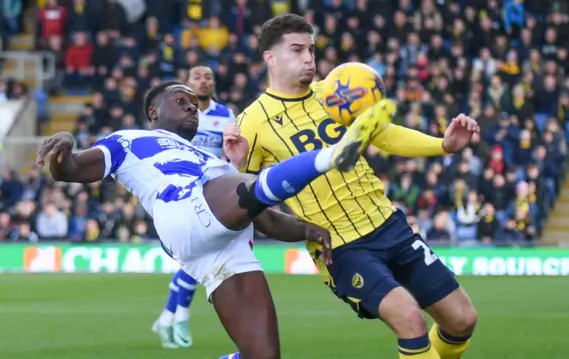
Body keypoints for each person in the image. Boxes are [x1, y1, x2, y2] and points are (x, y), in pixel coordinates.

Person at [37, 81, 393, 359]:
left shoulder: (211, 161)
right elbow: (69, 169)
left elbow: (264, 219)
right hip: (182, 212)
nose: (192, 106)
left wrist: (306, 229)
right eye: (181, 101)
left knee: (263, 355)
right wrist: (66, 144)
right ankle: (331, 156)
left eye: (195, 104)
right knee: (245, 187)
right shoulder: (129, 140)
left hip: (223, 246)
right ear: (154, 111)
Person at [223, 14, 479, 359]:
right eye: (297, 50)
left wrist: (443, 145)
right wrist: (235, 166)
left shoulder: (334, 94)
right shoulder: (252, 122)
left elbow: (383, 134)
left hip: (389, 225)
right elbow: (242, 195)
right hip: (340, 246)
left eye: (311, 50)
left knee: (462, 320)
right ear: (270, 57)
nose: (309, 58)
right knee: (409, 319)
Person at [152, 64, 238, 348]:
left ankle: (173, 316)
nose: (203, 82)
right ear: (186, 83)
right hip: (180, 190)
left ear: (214, 83)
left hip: (213, 191)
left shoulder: (226, 115)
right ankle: (172, 316)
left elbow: (231, 152)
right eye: (197, 77)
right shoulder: (175, 114)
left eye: (208, 77)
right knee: (194, 253)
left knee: (195, 252)